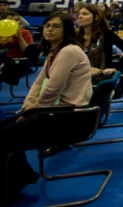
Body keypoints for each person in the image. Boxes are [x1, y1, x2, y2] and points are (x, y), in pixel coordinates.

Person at [0, 11, 92, 203]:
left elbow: (52, 89)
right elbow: (40, 81)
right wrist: (27, 106)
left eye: (56, 26)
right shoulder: (55, 50)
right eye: (47, 25)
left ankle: (15, 183)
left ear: (66, 30)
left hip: (69, 116)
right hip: (51, 111)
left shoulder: (68, 51)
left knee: (5, 135)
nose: (49, 29)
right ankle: (19, 178)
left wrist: (31, 112)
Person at [76, 4, 123, 85]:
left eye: (85, 14)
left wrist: (115, 68)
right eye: (79, 14)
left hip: (100, 80)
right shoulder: (75, 36)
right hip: (79, 78)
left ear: (96, 17)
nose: (80, 16)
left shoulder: (106, 33)